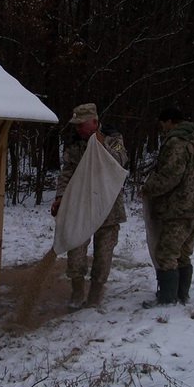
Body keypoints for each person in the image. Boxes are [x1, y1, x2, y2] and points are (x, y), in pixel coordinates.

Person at [51, 103, 128, 309]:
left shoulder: (113, 139)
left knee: (103, 255)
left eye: (81, 124)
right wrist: (60, 197)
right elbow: (67, 172)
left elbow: (121, 161)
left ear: (94, 122)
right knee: (75, 252)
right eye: (75, 125)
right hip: (81, 207)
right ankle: (77, 293)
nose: (77, 129)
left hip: (108, 208)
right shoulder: (74, 144)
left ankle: (94, 296)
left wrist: (101, 144)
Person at [141, 108, 194, 307]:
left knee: (166, 253)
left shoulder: (177, 142)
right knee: (183, 252)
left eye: (163, 124)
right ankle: (182, 295)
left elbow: (170, 175)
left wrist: (148, 188)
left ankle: (167, 300)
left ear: (170, 121)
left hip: (178, 206)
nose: (162, 129)